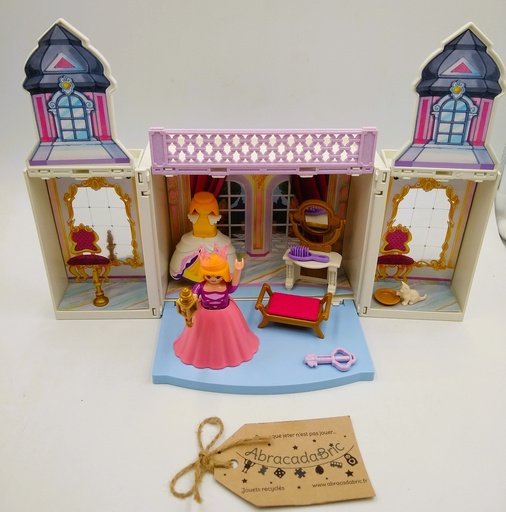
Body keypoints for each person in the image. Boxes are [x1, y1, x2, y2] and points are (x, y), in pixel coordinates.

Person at [173, 246, 259, 369]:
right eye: (209, 276)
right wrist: (190, 303)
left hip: (225, 314)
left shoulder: (225, 286)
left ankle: (229, 354)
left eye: (217, 277)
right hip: (204, 314)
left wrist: (237, 270)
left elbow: (234, 286)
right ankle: (202, 355)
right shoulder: (200, 286)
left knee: (229, 337)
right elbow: (194, 296)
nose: (213, 279)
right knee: (202, 339)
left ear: (223, 274)